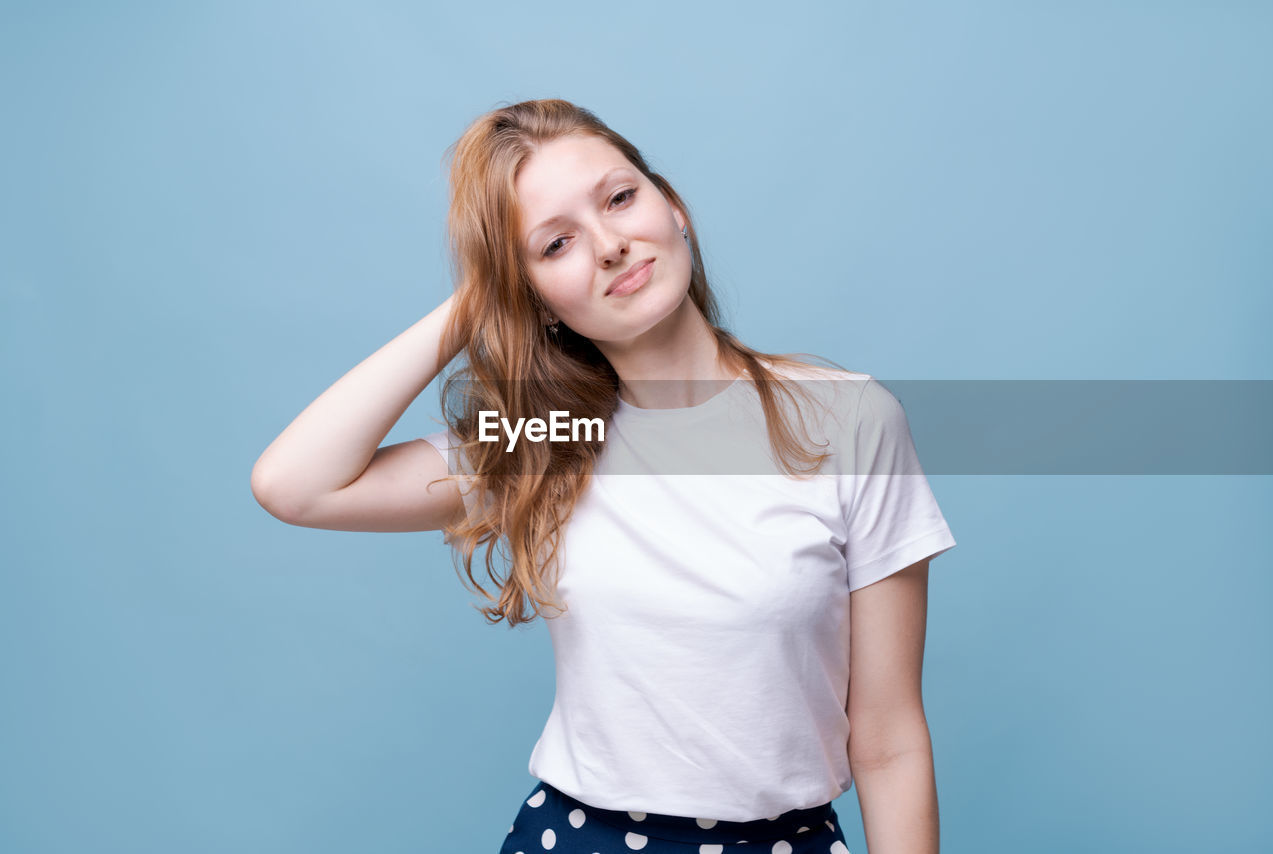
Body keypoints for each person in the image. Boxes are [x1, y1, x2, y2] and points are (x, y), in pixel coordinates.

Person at [251, 98, 957, 854]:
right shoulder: (547, 440)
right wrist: (477, 301)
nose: (612, 245)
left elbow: (887, 738)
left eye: (620, 199)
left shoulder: (847, 420)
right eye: (557, 245)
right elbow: (296, 485)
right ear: (533, 298)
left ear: (674, 207)